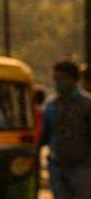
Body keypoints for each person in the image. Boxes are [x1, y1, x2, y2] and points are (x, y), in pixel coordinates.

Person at [39, 59, 91, 199]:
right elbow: (44, 135)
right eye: (55, 78)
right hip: (57, 166)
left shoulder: (86, 105)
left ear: (73, 80)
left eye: (61, 79)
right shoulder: (51, 106)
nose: (57, 83)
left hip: (82, 167)